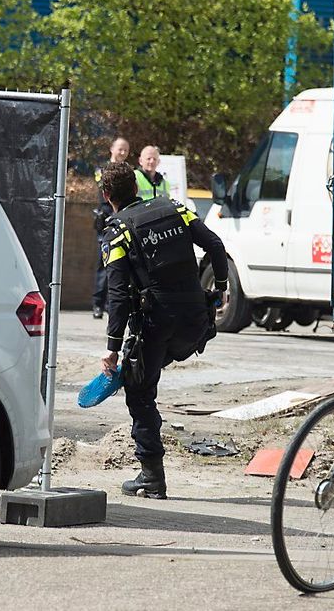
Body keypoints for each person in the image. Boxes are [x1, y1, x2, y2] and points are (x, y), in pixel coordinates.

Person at [98, 161, 229, 499]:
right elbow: (215, 246)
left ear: (106, 195)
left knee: (139, 390)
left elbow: (116, 292)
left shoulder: (117, 230)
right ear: (138, 188)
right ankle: (151, 467)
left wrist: (113, 346)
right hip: (196, 323)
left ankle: (152, 477)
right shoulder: (174, 208)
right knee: (145, 368)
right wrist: (222, 288)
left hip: (159, 321)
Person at [91, 137, 131, 319]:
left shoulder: (129, 172)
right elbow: (103, 191)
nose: (122, 153)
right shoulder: (102, 170)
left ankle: (110, 303)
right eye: (120, 149)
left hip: (122, 218)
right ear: (112, 149)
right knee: (103, 262)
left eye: (125, 150)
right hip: (106, 218)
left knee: (120, 263)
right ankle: (98, 304)